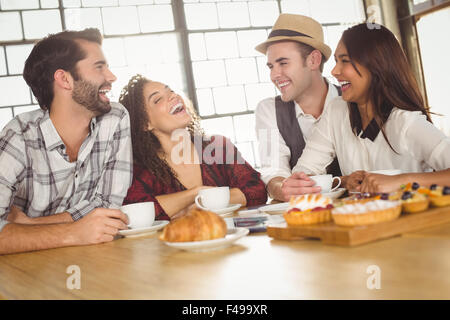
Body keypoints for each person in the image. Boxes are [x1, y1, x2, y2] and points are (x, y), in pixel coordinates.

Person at [0, 28, 133, 255]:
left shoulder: (115, 117)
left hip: (94, 260)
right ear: (64, 79)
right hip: (25, 271)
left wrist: (28, 225)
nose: (111, 77)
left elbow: (108, 209)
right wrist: (74, 232)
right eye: (99, 67)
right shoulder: (20, 137)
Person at [291, 23, 450, 193]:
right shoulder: (336, 111)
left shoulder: (406, 122)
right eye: (336, 61)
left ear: (375, 65)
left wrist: (402, 180)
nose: (335, 71)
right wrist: (343, 181)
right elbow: (302, 175)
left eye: (345, 61)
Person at [119, 75, 267, 221]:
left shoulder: (217, 147)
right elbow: (136, 213)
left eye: (170, 91)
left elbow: (257, 190)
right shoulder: (142, 171)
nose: (173, 96)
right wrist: (195, 193)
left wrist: (201, 204)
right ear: (145, 124)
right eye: (157, 99)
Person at [254, 13, 342, 202]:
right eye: (270, 66)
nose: (274, 75)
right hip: (305, 214)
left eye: (283, 63)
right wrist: (282, 188)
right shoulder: (268, 110)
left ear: (313, 60)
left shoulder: (351, 101)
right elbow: (273, 171)